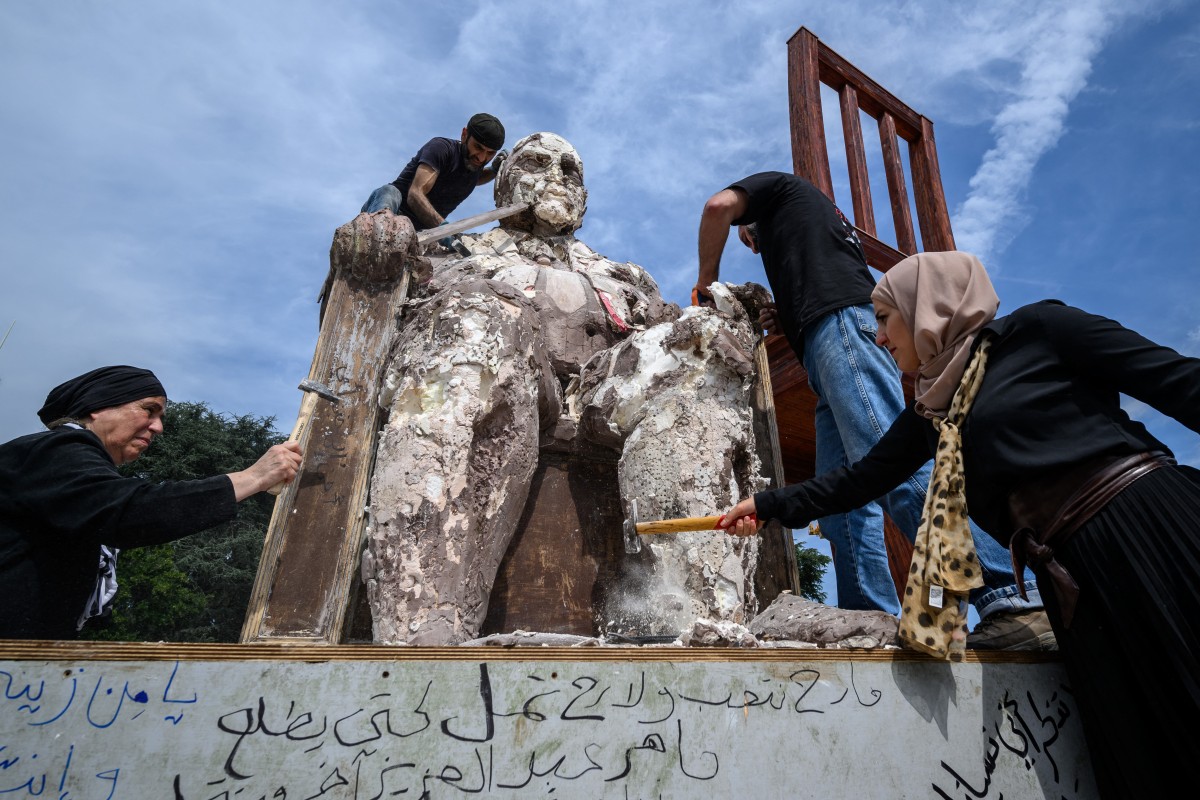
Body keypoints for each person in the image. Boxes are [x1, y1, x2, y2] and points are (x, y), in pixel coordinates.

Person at [719, 250, 1200, 797]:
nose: (878, 337)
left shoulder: (1040, 329)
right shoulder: (933, 408)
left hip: (1146, 526)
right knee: (1141, 748)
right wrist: (767, 506)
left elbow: (1180, 381)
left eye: (883, 317)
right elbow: (860, 480)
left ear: (925, 306)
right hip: (1073, 582)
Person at [360, 133, 765, 644]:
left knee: (701, 345)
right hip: (514, 387)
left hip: (605, 395)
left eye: (569, 170)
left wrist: (714, 322)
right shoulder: (455, 249)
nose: (554, 175)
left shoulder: (622, 274)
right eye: (535, 162)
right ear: (504, 181)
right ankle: (421, 627)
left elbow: (660, 335)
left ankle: (695, 619)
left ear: (584, 196)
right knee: (482, 315)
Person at [697, 171, 1050, 649]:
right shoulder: (817, 225)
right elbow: (820, 275)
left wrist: (705, 286)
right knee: (845, 506)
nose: (752, 245)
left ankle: (1012, 597)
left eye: (751, 237)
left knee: (897, 472)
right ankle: (867, 618)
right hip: (829, 343)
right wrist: (790, 315)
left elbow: (718, 207)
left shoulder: (776, 188)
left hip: (842, 329)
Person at [0, 365, 303, 640]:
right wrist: (253, 478)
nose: (158, 427)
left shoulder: (60, 464)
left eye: (160, 417)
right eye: (149, 410)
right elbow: (128, 511)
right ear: (97, 406)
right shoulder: (56, 450)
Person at [359, 113, 508, 231]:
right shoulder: (442, 149)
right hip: (392, 209)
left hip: (420, 231)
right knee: (389, 192)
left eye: (490, 153)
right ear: (464, 134)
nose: (482, 158)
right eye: (478, 147)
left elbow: (474, 179)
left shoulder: (473, 165)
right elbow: (415, 194)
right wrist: (444, 228)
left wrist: (494, 170)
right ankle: (376, 235)